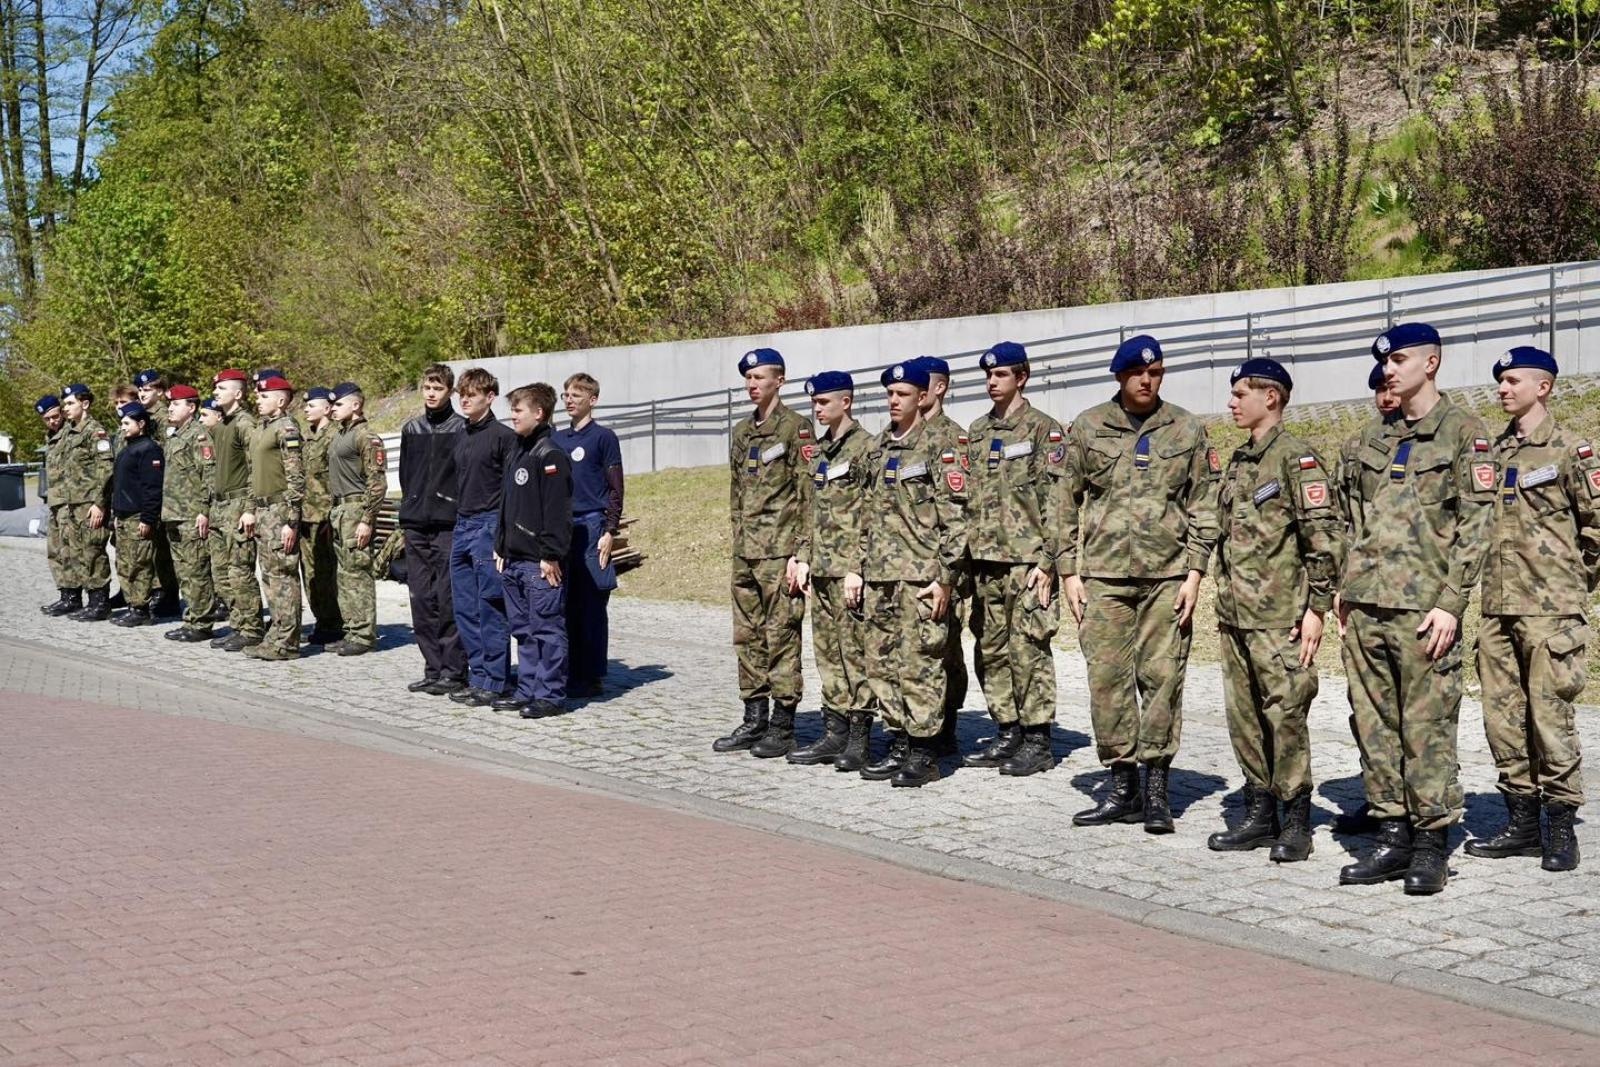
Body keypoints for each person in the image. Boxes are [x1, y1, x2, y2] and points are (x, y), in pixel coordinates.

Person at [1337, 323, 1494, 895]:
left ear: (1432, 362)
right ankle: (1391, 835)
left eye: (1399, 359)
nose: (1389, 369)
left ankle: (1430, 844)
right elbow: (1351, 517)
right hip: (1366, 605)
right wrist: (1344, 588)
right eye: (1385, 362)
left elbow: (1478, 524)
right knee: (1374, 725)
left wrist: (1452, 602)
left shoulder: (1464, 433)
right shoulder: (1372, 437)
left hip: (1424, 609)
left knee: (1426, 728)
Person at [1062, 335, 1221, 833]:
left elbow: (1204, 503)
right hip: (1104, 577)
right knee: (1107, 680)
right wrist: (1068, 571)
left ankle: (1156, 790)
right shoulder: (1088, 427)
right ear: (1120, 376)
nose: (1147, 381)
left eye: (1155, 373)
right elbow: (1062, 501)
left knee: (1162, 679)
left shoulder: (1186, 428)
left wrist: (1196, 572)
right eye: (1138, 373)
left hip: (1167, 577)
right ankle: (1122, 786)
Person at [1206, 359, 1346, 862]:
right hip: (1236, 616)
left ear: (1271, 397)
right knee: (1244, 719)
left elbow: (1323, 538)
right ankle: (1259, 812)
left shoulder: (1296, 459)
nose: (1231, 402)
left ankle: (1295, 821)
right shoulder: (1240, 460)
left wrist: (1317, 608)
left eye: (1240, 393)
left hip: (1280, 618)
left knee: (1285, 717)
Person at [1466, 346, 1599, 873]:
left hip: (1551, 610)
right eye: (1500, 380)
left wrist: (1573, 584)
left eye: (1513, 380)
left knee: (1550, 717)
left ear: (1543, 387)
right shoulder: (1493, 451)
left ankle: (1560, 826)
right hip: (1497, 608)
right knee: (1502, 718)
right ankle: (1521, 823)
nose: (1503, 388)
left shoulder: (1570, 449)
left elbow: (1597, 525)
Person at [856, 360, 968, 787]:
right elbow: (866, 515)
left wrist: (945, 578)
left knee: (920, 663)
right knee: (882, 663)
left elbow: (956, 519)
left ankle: (925, 751)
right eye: (889, 393)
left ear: (922, 397)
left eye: (902, 394)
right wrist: (859, 569)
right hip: (881, 577)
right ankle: (899, 740)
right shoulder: (879, 446)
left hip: (921, 578)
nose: (893, 400)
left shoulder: (939, 446)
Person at [960, 341, 1068, 778]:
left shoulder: (1043, 429)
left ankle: (1037, 739)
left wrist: (1048, 561)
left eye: (1001, 374)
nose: (992, 381)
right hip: (986, 560)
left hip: (1027, 562)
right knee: (991, 649)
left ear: (1021, 377)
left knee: (1029, 650)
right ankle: (1007, 729)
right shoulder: (978, 431)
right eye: (988, 375)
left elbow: (1058, 501)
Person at [712, 348, 811, 753]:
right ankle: (754, 718)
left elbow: (807, 495)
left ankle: (783, 725)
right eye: (748, 378)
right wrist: (738, 537)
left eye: (760, 378)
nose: (753, 385)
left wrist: (801, 553)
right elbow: (736, 491)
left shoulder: (796, 428)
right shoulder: (741, 431)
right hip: (746, 551)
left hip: (780, 552)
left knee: (781, 635)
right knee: (747, 635)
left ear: (779, 381)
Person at [786, 371, 875, 767]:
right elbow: (810, 509)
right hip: (821, 568)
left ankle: (859, 738)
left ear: (846, 402)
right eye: (814, 402)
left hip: (848, 572)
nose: (817, 409)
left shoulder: (867, 448)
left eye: (824, 402)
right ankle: (834, 732)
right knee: (827, 654)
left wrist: (858, 566)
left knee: (854, 654)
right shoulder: (819, 451)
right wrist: (803, 556)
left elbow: (872, 512)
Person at [493, 382, 574, 718]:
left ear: (539, 413)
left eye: (518, 410)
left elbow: (557, 511)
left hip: (538, 563)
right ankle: (527, 689)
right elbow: (507, 504)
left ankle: (550, 695)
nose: (512, 416)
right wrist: (500, 545)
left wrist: (550, 554)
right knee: (523, 631)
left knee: (547, 630)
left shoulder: (550, 454)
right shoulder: (518, 450)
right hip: (513, 559)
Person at [449, 368, 519, 706]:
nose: (465, 400)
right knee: (465, 608)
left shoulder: (504, 437)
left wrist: (501, 536)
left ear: (489, 397)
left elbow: (511, 491)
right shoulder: (461, 435)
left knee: (490, 606)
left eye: (472, 395)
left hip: (488, 525)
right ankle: (477, 676)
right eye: (462, 394)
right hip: (462, 524)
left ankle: (495, 680)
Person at [398, 363, 468, 695]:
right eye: (427, 387)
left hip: (448, 525)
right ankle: (433, 667)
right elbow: (406, 475)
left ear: (450, 392)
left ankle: (454, 670)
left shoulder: (462, 428)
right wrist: (411, 505)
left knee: (448, 599)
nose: (431, 393)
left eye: (438, 388)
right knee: (421, 600)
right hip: (416, 524)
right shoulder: (412, 428)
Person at [912, 355, 969, 756]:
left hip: (945, 564)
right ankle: (916, 726)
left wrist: (950, 570)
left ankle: (946, 723)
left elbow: (960, 509)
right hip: (909, 562)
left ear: (940, 387)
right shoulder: (902, 436)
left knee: (946, 648)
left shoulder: (953, 438)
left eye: (925, 383)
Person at [554, 372, 624, 698]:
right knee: (565, 602)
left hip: (593, 525)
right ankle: (570, 669)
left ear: (592, 400)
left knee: (592, 603)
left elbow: (616, 489)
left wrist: (610, 530)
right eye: (566, 395)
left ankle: (592, 674)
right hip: (564, 528)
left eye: (576, 396)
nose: (569, 401)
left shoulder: (603, 438)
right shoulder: (558, 439)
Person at [241, 376, 306, 660]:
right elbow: (252, 474)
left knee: (283, 577)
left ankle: (287, 642)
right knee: (269, 576)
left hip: (280, 510)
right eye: (258, 396)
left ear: (280, 400)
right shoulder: (261, 429)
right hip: (263, 510)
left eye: (264, 396)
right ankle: (276, 634)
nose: (258, 400)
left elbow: (296, 477)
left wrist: (292, 521)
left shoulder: (286, 428)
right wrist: (250, 509)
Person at [326, 382, 389, 656]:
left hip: (355, 511)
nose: (333, 409)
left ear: (356, 405)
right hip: (340, 511)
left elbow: (377, 482)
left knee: (358, 573)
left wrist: (368, 518)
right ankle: (351, 630)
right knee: (344, 575)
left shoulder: (366, 436)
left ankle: (364, 635)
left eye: (339, 404)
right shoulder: (341, 434)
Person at [208, 369, 265, 651]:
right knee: (221, 573)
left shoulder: (245, 424)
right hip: (220, 506)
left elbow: (256, 468)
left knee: (240, 571)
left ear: (238, 394)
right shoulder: (223, 425)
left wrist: (250, 508)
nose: (215, 392)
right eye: (216, 388)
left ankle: (252, 628)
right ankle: (238, 624)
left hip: (238, 504)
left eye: (222, 388)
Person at [160, 384, 219, 642]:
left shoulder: (199, 436)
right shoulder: (175, 436)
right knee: (183, 571)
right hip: (174, 513)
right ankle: (191, 618)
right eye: (170, 404)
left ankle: (202, 623)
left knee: (196, 570)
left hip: (191, 514)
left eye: (176, 404)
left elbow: (209, 475)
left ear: (191, 407)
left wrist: (204, 510)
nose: (170, 408)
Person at [56, 383, 115, 622]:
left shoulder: (95, 432)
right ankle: (88, 600)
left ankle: (100, 602)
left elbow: (106, 469)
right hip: (73, 503)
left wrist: (99, 503)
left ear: (85, 404)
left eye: (70, 403)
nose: (65, 408)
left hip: (90, 503)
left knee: (93, 551)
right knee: (78, 552)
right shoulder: (70, 432)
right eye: (65, 404)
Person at [106, 402, 164, 626]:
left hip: (138, 516)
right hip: (124, 516)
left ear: (141, 424)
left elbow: (152, 488)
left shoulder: (149, 449)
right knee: (125, 564)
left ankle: (141, 609)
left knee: (139, 565)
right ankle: (133, 604)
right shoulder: (129, 448)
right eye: (121, 423)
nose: (122, 427)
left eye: (126, 423)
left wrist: (148, 518)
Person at [299, 386, 346, 646]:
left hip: (325, 515)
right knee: (311, 574)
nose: (306, 409)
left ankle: (334, 623)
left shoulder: (335, 436)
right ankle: (323, 620)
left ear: (327, 408)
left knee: (328, 573)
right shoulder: (307, 436)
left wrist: (333, 513)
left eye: (311, 405)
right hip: (305, 515)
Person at [134, 368, 180, 618]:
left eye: (147, 389)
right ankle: (156, 590)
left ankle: (168, 594)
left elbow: (167, 455)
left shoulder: (165, 418)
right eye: (140, 389)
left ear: (160, 392)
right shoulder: (142, 416)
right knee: (151, 546)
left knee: (163, 547)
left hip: (163, 488)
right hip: (146, 488)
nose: (142, 393)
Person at [35, 395, 79, 616]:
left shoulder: (71, 433)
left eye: (55, 416)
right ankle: (64, 593)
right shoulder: (51, 436)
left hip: (67, 502)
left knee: (68, 551)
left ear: (61, 412)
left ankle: (73, 596)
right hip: (54, 501)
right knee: (55, 550)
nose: (53, 421)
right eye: (47, 419)